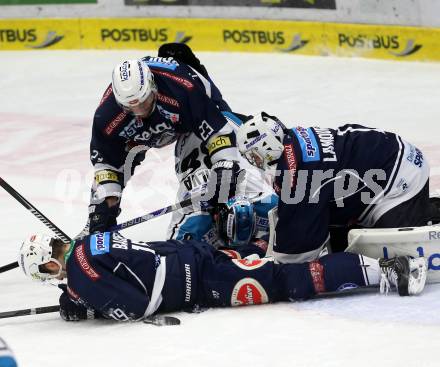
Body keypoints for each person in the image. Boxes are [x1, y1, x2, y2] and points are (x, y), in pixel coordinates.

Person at [17, 232, 427, 322]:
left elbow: (136, 308)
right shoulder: (91, 241)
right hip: (194, 254)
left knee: (289, 281)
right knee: (276, 256)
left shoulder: (80, 276)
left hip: (203, 283)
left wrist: (88, 302)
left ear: (48, 265)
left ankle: (392, 271)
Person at [236, 112, 440, 263]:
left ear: (266, 146)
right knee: (340, 232)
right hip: (397, 158)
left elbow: (296, 252)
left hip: (400, 179)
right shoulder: (295, 141)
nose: (256, 162)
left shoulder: (296, 169)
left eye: (254, 156)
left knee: (385, 252)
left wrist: (269, 265)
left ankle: (426, 213)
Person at [86, 43, 244, 235]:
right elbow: (107, 166)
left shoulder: (184, 90)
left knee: (208, 177)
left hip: (190, 120)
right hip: (146, 132)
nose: (139, 112)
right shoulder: (107, 115)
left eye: (144, 103)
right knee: (103, 205)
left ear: (153, 87)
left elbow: (220, 133)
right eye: (130, 108)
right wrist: (102, 210)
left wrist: (223, 171)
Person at [167, 105, 278, 251]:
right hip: (193, 139)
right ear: (216, 218)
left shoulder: (263, 199)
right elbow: (171, 257)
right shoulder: (194, 217)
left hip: (228, 128)